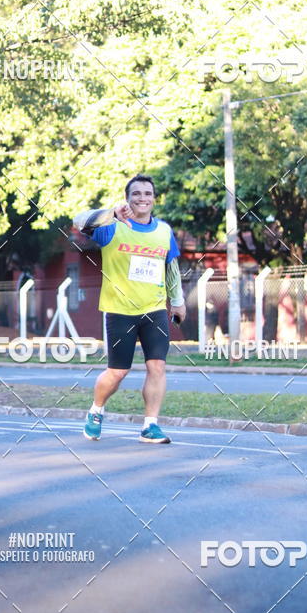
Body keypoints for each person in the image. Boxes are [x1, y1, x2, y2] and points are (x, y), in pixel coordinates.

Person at [73, 174, 186, 444]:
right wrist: (111, 212)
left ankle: (150, 425)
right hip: (120, 310)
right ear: (128, 198)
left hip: (154, 308)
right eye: (136, 194)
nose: (142, 198)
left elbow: (171, 268)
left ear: (154, 199)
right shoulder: (111, 227)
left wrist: (178, 300)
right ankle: (96, 410)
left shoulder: (164, 231)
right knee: (118, 372)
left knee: (157, 366)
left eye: (148, 193)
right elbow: (79, 221)